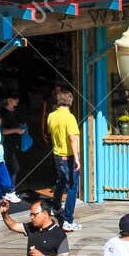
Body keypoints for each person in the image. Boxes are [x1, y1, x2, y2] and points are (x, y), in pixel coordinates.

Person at [48, 88, 82, 232]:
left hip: (57, 155)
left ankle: (55, 207)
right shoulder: (70, 118)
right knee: (73, 187)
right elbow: (72, 138)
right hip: (67, 156)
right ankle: (68, 220)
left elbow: (51, 132)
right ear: (70, 102)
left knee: (61, 181)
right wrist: (76, 158)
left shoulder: (51, 116)